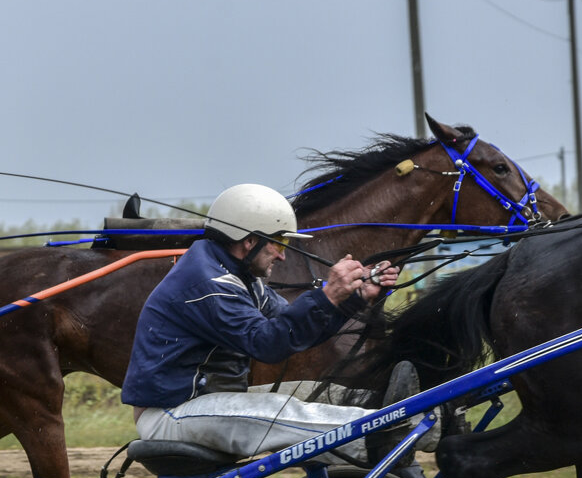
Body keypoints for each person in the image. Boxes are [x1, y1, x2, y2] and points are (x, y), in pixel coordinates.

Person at [122, 183, 421, 463]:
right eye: (278, 242)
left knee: (320, 393)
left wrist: (352, 299)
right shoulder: (209, 284)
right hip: (171, 415)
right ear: (249, 240)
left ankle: (406, 418)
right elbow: (267, 343)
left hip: (206, 403)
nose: (282, 254)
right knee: (280, 410)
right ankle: (385, 432)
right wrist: (329, 294)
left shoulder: (239, 277)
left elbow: (288, 327)